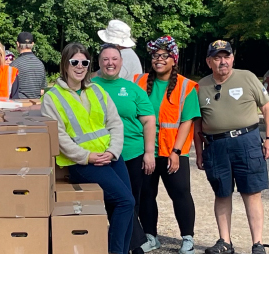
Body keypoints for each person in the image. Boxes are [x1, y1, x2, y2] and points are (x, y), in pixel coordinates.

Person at [41, 42, 134, 254]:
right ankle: (115, 255)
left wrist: (113, 151)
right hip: (82, 162)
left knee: (127, 204)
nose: (80, 66)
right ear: (65, 64)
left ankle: (122, 252)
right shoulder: (52, 97)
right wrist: (87, 157)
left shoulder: (97, 90)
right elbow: (59, 137)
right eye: (75, 62)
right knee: (125, 201)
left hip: (110, 156)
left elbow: (115, 123)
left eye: (85, 62)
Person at [194, 40, 269, 254]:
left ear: (232, 58)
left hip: (247, 140)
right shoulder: (201, 85)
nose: (222, 62)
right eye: (216, 58)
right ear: (209, 61)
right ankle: (225, 242)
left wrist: (268, 138)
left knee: (251, 192)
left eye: (226, 56)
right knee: (222, 193)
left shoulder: (247, 77)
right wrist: (198, 151)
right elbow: (197, 122)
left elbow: (266, 106)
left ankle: (257, 243)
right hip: (216, 145)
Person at [133, 36, 200, 254]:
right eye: (155, 55)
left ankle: (187, 238)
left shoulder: (187, 86)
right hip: (146, 151)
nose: (159, 59)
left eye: (164, 55)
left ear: (174, 60)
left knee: (180, 193)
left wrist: (176, 152)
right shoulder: (138, 82)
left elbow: (187, 121)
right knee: (146, 194)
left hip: (173, 151)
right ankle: (151, 236)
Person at [93, 43, 156, 254]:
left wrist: (149, 153)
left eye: (114, 59)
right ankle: (120, 245)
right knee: (111, 201)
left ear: (121, 62)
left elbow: (148, 121)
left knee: (131, 201)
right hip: (101, 155)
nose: (110, 63)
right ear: (99, 62)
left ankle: (128, 246)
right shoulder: (89, 86)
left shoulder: (132, 89)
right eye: (105, 59)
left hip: (131, 153)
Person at [10, 32, 47, 98]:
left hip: (20, 105)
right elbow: (42, 91)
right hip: (36, 105)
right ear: (32, 44)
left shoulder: (14, 65)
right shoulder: (40, 64)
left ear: (18, 44)